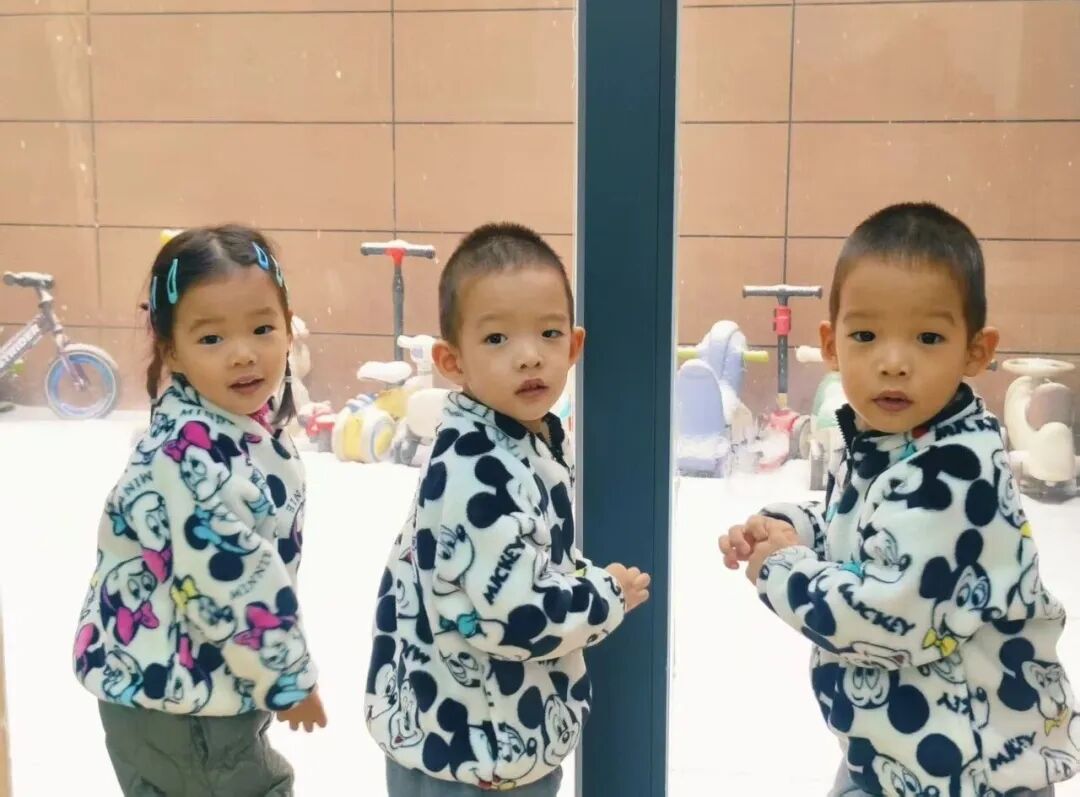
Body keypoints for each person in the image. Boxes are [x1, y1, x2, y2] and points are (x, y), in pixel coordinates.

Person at [721, 203, 1077, 796]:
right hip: (904, 754)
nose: (893, 363)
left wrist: (782, 568)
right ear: (832, 344)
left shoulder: (954, 472)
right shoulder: (892, 442)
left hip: (973, 771)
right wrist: (791, 528)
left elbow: (889, 617)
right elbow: (864, 531)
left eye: (928, 337)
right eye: (865, 335)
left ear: (976, 351)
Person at [366, 222, 651, 795]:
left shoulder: (509, 441)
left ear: (573, 347)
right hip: (476, 751)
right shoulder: (481, 470)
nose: (528, 357)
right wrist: (606, 596)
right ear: (452, 361)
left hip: (466, 734)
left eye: (548, 333)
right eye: (497, 339)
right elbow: (517, 616)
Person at [73, 225, 326, 796]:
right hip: (181, 698)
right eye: (211, 338)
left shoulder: (222, 427)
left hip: (179, 685)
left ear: (289, 328)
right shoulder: (190, 456)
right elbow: (228, 576)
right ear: (172, 350)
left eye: (262, 328)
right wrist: (287, 676)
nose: (244, 353)